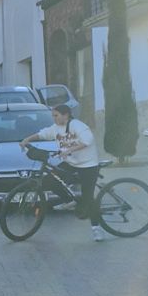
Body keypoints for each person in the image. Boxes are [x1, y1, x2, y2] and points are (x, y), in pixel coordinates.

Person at [22, 103, 103, 242]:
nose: (54, 118)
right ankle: (69, 200)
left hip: (88, 165)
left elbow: (88, 140)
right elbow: (43, 134)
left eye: (56, 115)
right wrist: (27, 140)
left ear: (65, 115)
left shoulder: (77, 125)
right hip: (71, 163)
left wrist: (70, 150)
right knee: (49, 180)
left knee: (88, 198)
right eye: (53, 116)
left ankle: (96, 229)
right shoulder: (56, 128)